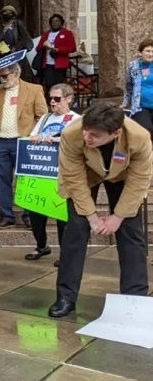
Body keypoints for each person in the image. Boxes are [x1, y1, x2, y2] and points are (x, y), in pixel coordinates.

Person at [50, 102, 152, 318]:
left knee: (131, 232)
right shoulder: (72, 134)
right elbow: (74, 179)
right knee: (75, 229)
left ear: (115, 133)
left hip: (123, 176)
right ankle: (66, 297)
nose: (87, 137)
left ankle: (135, 297)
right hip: (85, 175)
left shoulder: (140, 138)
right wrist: (92, 217)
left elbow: (139, 181)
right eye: (86, 130)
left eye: (94, 135)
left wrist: (118, 216)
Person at [0, 62, 47, 228]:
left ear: (16, 73)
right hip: (1, 141)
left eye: (5, 75)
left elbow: (42, 115)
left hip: (23, 140)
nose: (2, 79)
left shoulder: (34, 89)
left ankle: (29, 215)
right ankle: (7, 215)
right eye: (0, 76)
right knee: (2, 179)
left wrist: (35, 135)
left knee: (26, 180)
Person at [24, 84, 80, 265]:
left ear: (69, 99)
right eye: (51, 98)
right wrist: (36, 139)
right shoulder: (45, 118)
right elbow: (31, 137)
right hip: (41, 171)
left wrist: (56, 140)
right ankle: (41, 245)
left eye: (57, 99)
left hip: (62, 174)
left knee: (61, 216)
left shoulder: (76, 120)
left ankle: (65, 252)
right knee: (35, 213)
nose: (52, 102)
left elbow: (78, 144)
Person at [35, 14, 77, 95]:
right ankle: (50, 102)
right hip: (47, 63)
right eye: (53, 21)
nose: (55, 23)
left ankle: (59, 101)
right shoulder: (46, 34)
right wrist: (44, 46)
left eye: (57, 21)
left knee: (58, 84)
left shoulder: (67, 33)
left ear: (61, 23)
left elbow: (72, 48)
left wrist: (58, 50)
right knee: (48, 84)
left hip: (60, 63)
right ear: (50, 23)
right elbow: (38, 48)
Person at [123, 39, 153, 138]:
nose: (150, 54)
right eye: (147, 51)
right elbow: (128, 85)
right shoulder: (134, 66)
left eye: (152, 51)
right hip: (140, 106)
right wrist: (125, 102)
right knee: (146, 129)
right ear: (140, 52)